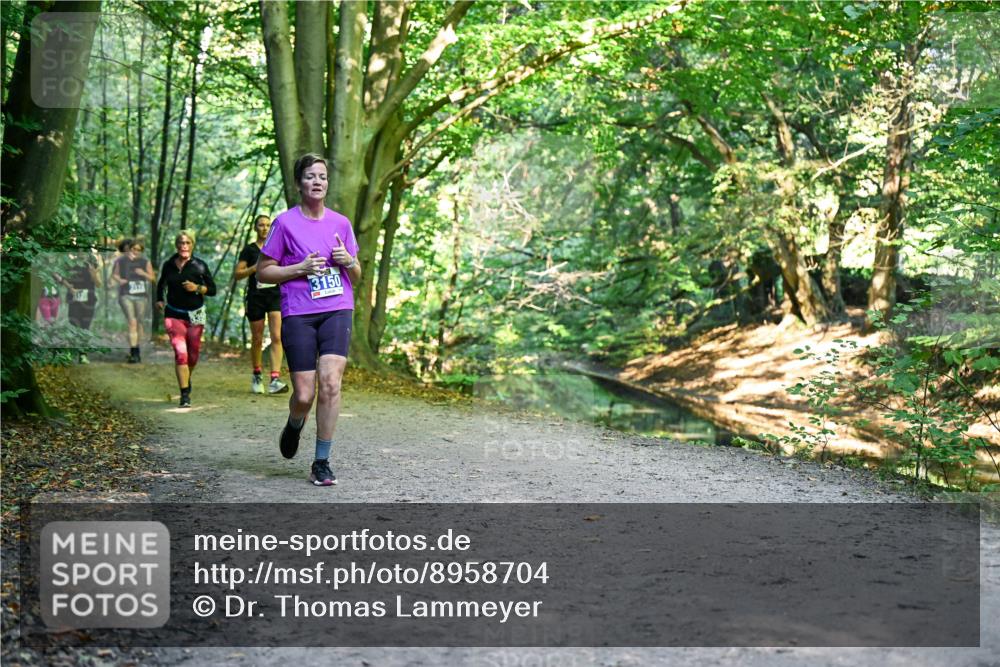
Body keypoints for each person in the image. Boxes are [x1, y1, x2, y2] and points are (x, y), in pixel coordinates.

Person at [257, 153, 361, 487]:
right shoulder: (284, 223)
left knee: (331, 382)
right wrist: (298, 269)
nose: (317, 182)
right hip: (299, 312)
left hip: (337, 308)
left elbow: (355, 274)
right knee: (304, 394)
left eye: (322, 176)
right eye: (310, 176)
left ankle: (321, 461)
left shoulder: (341, 223)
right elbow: (264, 272)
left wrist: (349, 261)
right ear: (299, 183)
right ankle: (295, 422)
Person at [156, 230, 217, 408]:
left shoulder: (200, 265)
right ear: (177, 245)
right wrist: (159, 299)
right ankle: (185, 394)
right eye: (181, 243)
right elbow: (161, 283)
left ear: (192, 245)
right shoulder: (169, 264)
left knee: (193, 354)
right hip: (174, 314)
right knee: (180, 353)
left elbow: (212, 290)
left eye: (187, 243)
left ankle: (186, 379)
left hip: (196, 314)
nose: (184, 246)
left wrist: (197, 288)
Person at [234, 215, 288, 395]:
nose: (264, 228)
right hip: (256, 296)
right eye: (261, 225)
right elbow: (237, 274)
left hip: (274, 295)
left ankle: (275, 378)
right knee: (257, 338)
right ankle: (257, 374)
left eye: (267, 225)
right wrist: (254, 268)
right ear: (255, 228)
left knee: (277, 336)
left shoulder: (278, 247)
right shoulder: (249, 250)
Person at [113, 238, 155, 363]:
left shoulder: (145, 262)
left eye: (138, 250)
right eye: (133, 249)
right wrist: (119, 280)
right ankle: (134, 351)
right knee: (132, 322)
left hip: (141, 296)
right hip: (126, 295)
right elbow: (115, 275)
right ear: (129, 249)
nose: (135, 251)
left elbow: (152, 278)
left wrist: (143, 273)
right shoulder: (121, 261)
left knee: (139, 322)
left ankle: (137, 348)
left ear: (141, 251)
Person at [59, 252, 101, 363]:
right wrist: (70, 288)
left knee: (85, 327)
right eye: (80, 249)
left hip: (89, 300)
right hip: (74, 299)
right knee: (73, 325)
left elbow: (98, 284)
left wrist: (93, 273)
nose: (82, 252)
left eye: (84, 250)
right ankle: (70, 353)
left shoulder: (92, 264)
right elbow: (62, 278)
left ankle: (83, 355)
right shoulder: (70, 263)